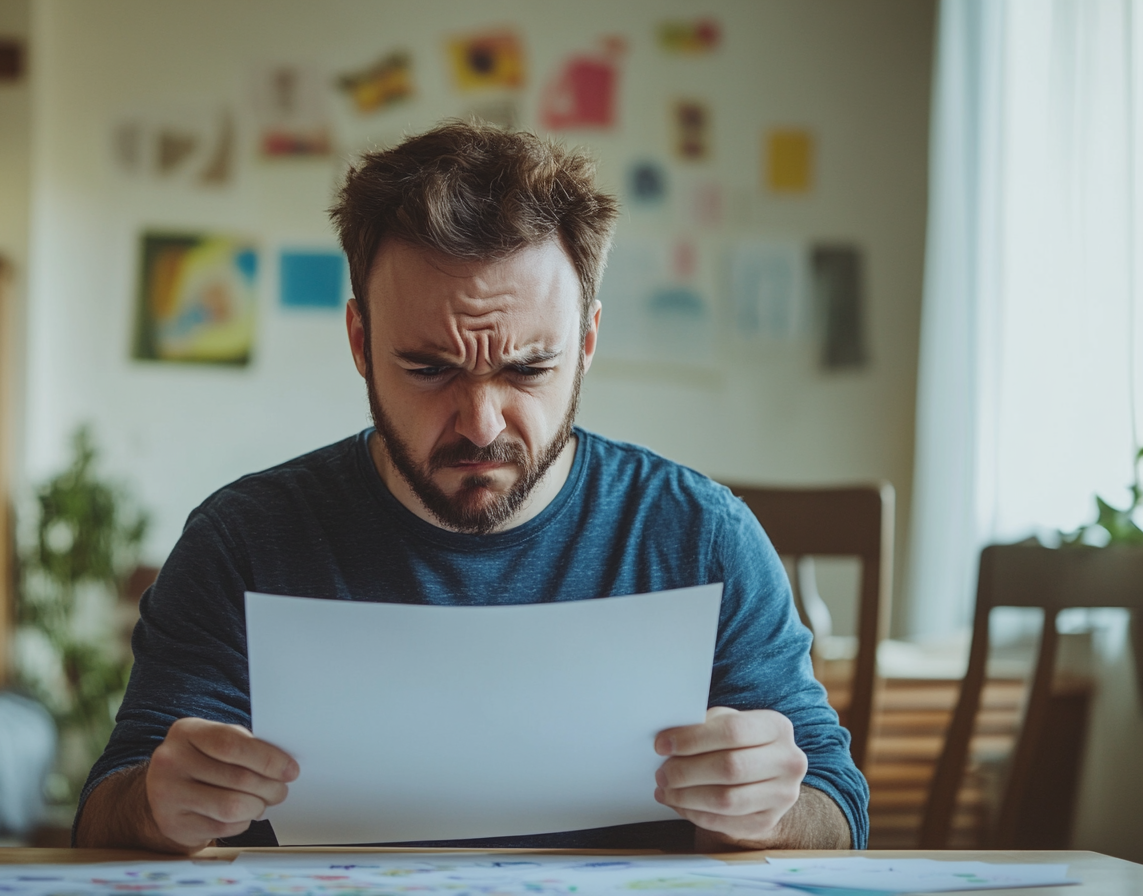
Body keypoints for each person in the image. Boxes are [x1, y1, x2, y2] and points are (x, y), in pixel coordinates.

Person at [75, 121, 867, 854]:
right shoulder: (243, 541)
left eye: (528, 368)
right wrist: (154, 804)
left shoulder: (702, 536)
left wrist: (770, 810)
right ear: (360, 340)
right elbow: (103, 812)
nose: (481, 423)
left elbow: (838, 808)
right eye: (429, 368)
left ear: (587, 341)